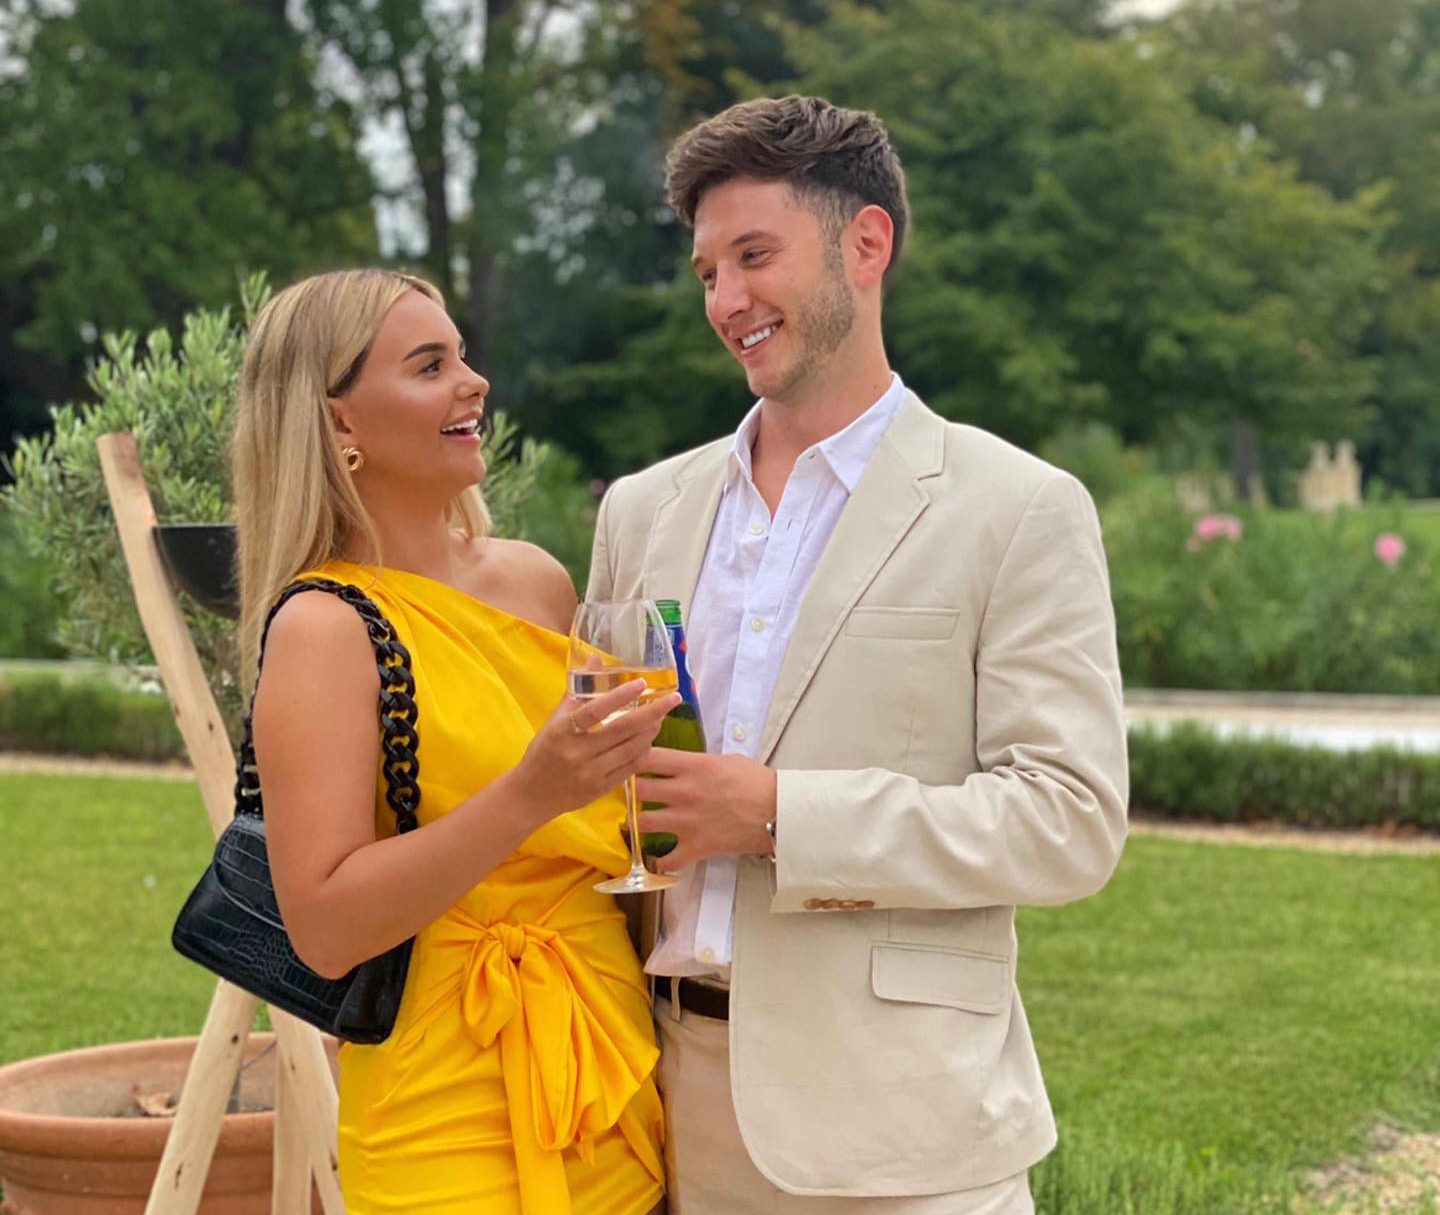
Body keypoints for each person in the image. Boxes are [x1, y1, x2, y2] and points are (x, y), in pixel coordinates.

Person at [585, 96, 1129, 1214]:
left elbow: (1069, 820)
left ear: (866, 245)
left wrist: (780, 815)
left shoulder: (1018, 508)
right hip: (667, 1116)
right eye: (707, 272)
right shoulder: (641, 510)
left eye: (755, 256)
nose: (725, 300)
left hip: (905, 1135)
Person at [231, 268, 674, 1215]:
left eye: (462, 357)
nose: (474, 382)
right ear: (339, 423)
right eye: (430, 366)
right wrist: (529, 793)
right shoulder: (323, 626)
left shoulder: (538, 582)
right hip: (445, 1097)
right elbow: (325, 929)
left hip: (605, 1058)